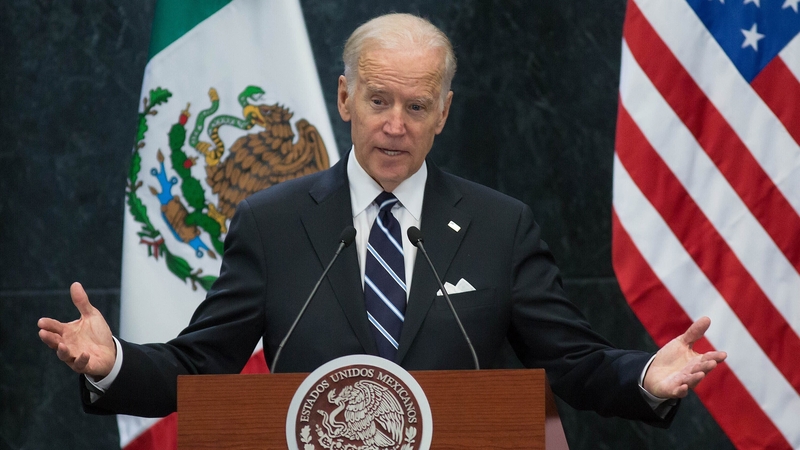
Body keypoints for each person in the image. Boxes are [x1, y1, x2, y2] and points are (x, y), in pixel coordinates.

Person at [38, 13, 725, 425]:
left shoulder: (499, 225)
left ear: (444, 113)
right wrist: (113, 364)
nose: (395, 127)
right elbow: (200, 366)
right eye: (378, 101)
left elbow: (572, 363)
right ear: (344, 98)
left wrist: (644, 376)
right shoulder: (272, 223)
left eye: (417, 106)